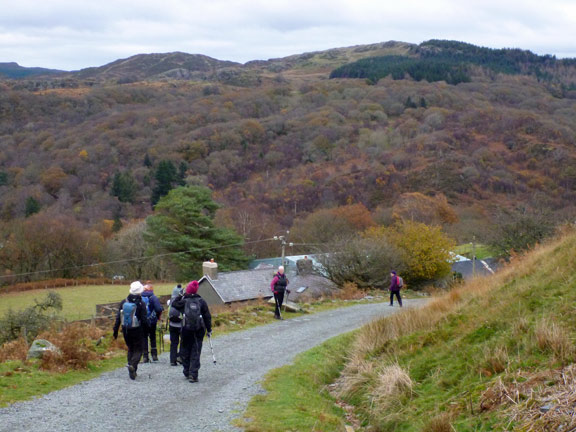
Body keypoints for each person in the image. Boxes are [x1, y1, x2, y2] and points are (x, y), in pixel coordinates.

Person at [172, 280, 212, 383]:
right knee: (196, 351)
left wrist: (181, 294)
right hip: (199, 330)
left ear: (188, 290)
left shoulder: (184, 301)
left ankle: (186, 371)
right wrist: (209, 329)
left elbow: (174, 304)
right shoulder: (201, 301)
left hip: (186, 329)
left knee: (185, 350)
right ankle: (193, 375)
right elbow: (207, 316)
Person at [113, 281, 149, 380]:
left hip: (126, 329)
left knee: (131, 348)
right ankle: (132, 365)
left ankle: (131, 368)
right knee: (139, 349)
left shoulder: (124, 302)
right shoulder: (141, 303)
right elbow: (144, 319)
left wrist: (115, 331)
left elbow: (118, 318)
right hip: (137, 329)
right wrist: (147, 331)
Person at [141, 281, 164, 362]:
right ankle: (154, 355)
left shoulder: (140, 297)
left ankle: (145, 356)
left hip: (143, 321)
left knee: (144, 337)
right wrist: (158, 316)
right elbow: (158, 309)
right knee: (152, 337)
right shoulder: (153, 297)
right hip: (152, 321)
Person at [167, 284, 184, 366]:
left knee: (173, 343)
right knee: (183, 341)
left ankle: (172, 360)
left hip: (172, 324)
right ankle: (180, 357)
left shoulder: (170, 301)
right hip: (180, 324)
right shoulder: (182, 301)